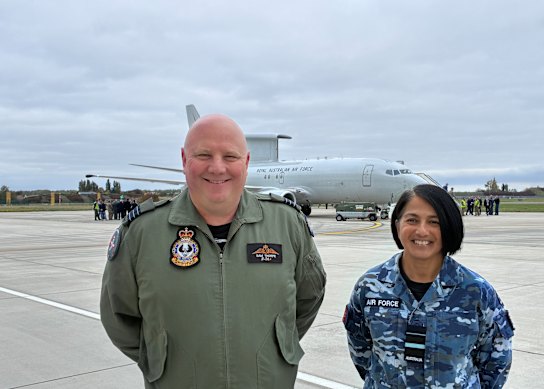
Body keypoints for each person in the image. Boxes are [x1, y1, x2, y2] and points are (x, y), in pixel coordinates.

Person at [100, 114, 326, 389]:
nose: (218, 168)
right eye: (204, 154)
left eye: (230, 156)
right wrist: (163, 361)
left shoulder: (288, 224)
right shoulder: (140, 232)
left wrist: (274, 351)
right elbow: (118, 315)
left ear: (246, 162)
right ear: (184, 161)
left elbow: (308, 298)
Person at [343, 184, 514, 388]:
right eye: (412, 220)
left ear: (449, 227)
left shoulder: (476, 291)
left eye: (434, 222)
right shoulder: (369, 286)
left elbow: (496, 358)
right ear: (398, 225)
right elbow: (361, 350)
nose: (422, 230)